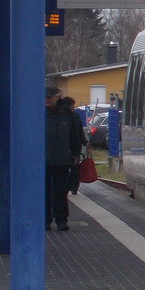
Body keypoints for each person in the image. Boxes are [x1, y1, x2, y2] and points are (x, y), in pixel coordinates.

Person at [45, 86, 83, 231]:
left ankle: (61, 219)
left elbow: (75, 136)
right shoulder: (38, 113)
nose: (46, 100)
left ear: (57, 97)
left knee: (60, 191)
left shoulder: (68, 115)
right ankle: (45, 219)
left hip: (62, 159)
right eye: (45, 98)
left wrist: (75, 154)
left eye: (49, 97)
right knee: (44, 191)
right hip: (43, 160)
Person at [60, 96, 90, 195]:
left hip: (66, 147)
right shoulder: (74, 116)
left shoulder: (61, 116)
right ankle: (73, 187)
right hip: (74, 147)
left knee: (67, 169)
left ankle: (69, 187)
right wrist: (84, 142)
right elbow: (79, 132)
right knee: (74, 168)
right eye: (72, 106)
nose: (73, 108)